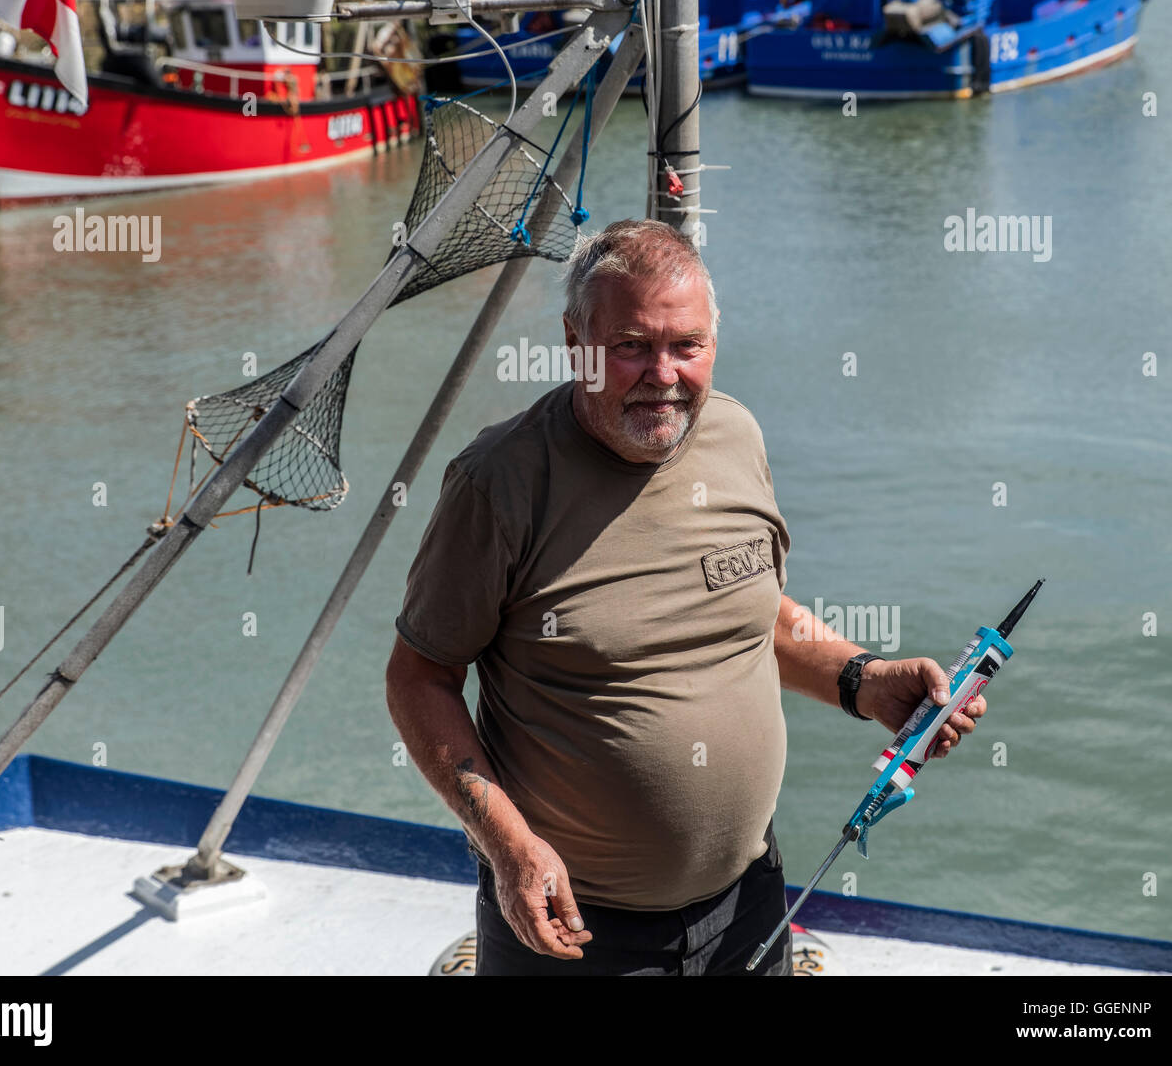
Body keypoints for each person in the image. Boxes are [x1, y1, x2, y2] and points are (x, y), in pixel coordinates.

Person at [385, 219, 985, 976]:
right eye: (632, 345)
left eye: (686, 346)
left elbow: (754, 614)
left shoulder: (736, 436)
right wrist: (508, 846)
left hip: (750, 907)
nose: (662, 374)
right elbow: (419, 676)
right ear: (576, 342)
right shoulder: (500, 482)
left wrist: (864, 680)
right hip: (571, 929)